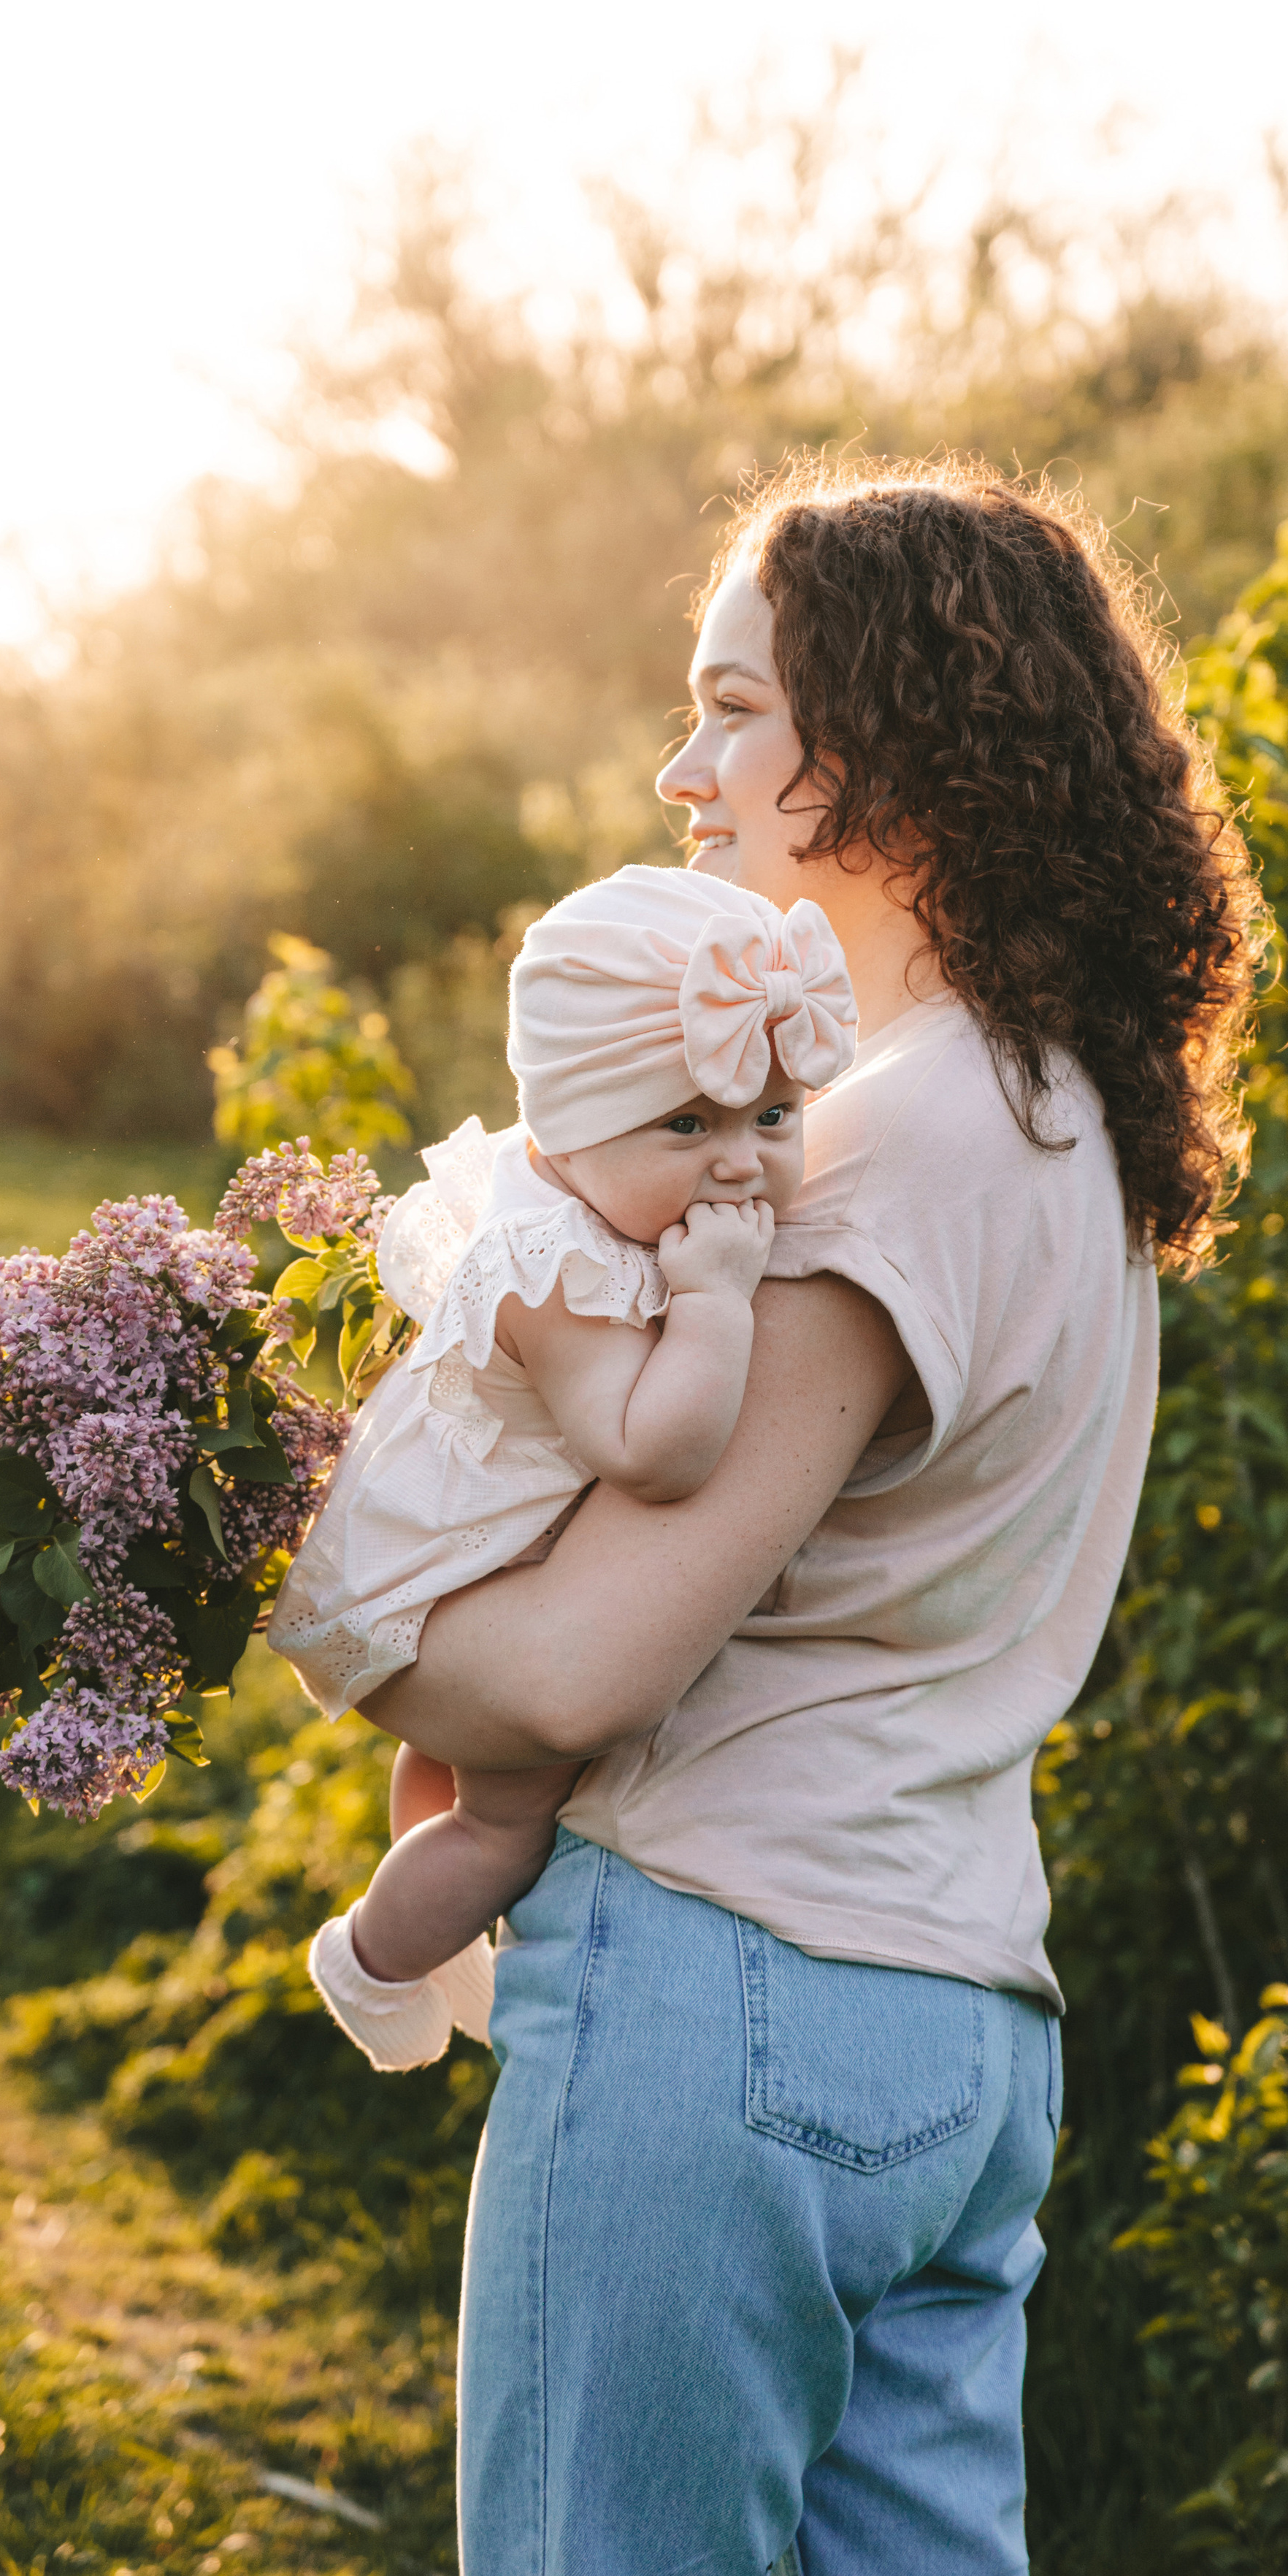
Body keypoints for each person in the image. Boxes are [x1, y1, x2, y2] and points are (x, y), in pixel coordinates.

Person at [357, 456, 1263, 2576]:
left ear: (892, 749)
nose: (686, 772)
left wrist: (328, 1610)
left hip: (734, 1995)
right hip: (960, 2038)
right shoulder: (1062, 1116)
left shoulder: (886, 1141)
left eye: (733, 710)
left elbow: (583, 1677)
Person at [268, 865, 858, 2068]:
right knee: (508, 1822)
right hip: (434, 1592)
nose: (741, 1163)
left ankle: (428, 1917)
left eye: (775, 1117)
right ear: (566, 1130)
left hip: (460, 1552)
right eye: (688, 1124)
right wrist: (717, 1306)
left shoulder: (582, 1200)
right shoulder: (559, 1274)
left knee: (451, 1769)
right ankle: (376, 1954)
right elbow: (652, 1456)